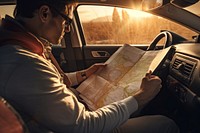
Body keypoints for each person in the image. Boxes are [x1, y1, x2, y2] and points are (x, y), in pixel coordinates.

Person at [0, 0, 179, 133]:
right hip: (83, 125)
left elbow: (47, 82)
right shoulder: (23, 63)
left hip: (71, 115)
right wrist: (140, 97)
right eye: (67, 21)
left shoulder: (21, 49)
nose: (68, 29)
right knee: (165, 124)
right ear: (45, 14)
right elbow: (85, 126)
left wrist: (84, 74)